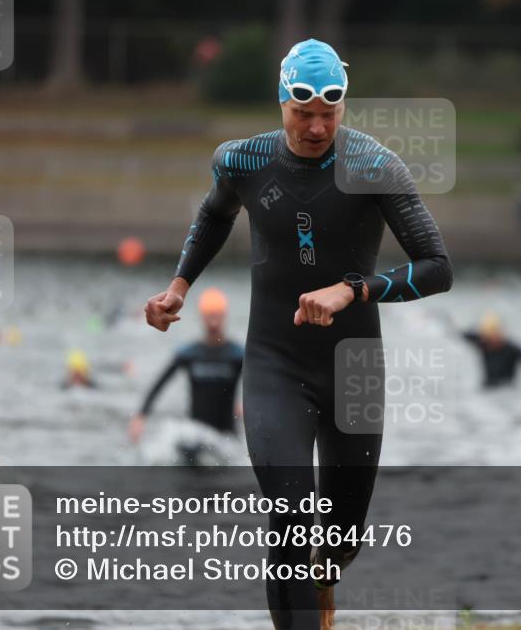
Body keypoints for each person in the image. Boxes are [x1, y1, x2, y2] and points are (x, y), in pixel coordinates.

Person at [144, 38, 453, 630]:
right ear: (281, 102)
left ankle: (326, 572)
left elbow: (438, 266)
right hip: (275, 363)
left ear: (344, 107)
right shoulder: (242, 161)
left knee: (340, 536)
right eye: (302, 113)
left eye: (329, 115)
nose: (316, 127)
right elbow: (215, 214)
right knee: (289, 516)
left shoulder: (375, 166)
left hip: (354, 368)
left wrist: (354, 289)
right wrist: (179, 286)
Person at [129, 288, 243, 442]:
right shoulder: (189, 354)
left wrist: (249, 406)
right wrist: (141, 416)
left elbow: (261, 386)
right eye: (209, 316)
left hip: (227, 437)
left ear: (225, 316)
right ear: (201, 317)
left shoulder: (238, 355)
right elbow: (160, 383)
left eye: (217, 316)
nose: (213, 322)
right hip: (196, 433)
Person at [461, 311, 521, 388]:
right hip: (488, 387)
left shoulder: (512, 349)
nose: (491, 339)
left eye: (494, 333)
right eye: (488, 336)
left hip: (506, 389)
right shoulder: (483, 344)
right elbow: (463, 334)